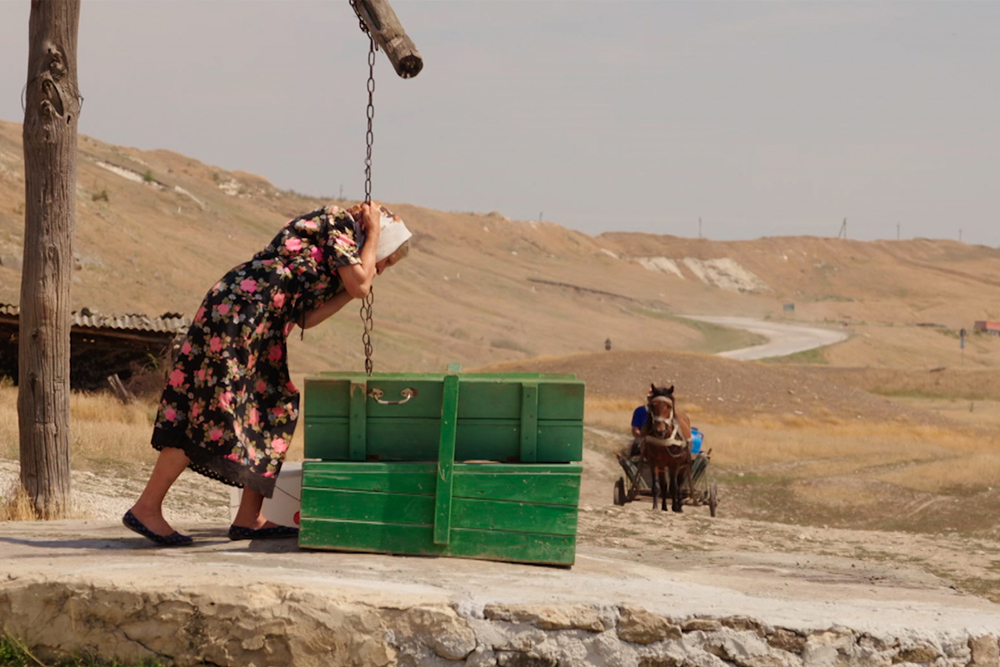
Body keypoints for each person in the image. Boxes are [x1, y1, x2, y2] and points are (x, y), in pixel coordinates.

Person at [123, 201, 411, 546]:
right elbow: (362, 285)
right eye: (386, 259)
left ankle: (249, 517)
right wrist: (374, 235)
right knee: (208, 406)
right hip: (240, 310)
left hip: (265, 323)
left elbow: (308, 317)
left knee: (274, 405)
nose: (381, 268)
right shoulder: (339, 222)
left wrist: (351, 290)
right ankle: (147, 508)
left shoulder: (342, 257)